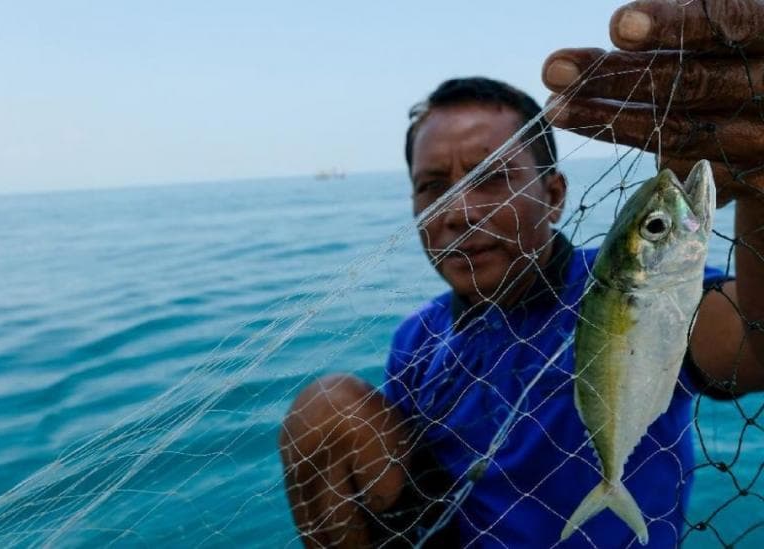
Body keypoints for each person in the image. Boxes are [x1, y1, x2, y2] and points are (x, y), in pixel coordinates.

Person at [279, 1, 764, 547]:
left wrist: (759, 191)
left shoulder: (630, 283)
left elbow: (752, 338)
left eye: (491, 178)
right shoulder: (417, 341)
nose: (459, 210)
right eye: (433, 185)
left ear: (553, 196)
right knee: (326, 408)